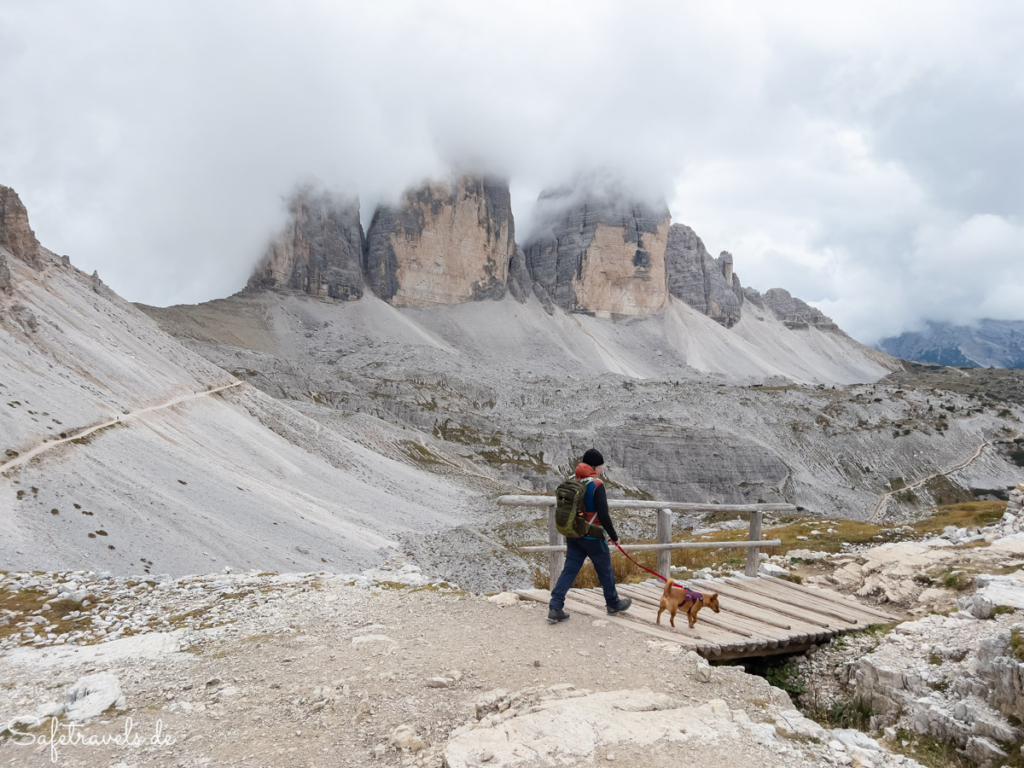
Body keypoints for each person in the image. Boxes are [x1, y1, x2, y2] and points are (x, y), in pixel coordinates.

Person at [547, 448, 632, 623]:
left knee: (569, 569)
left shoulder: (573, 480)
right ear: (595, 466)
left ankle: (555, 607)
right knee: (605, 570)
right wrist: (614, 536)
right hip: (593, 536)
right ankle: (613, 603)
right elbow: (603, 515)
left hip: (574, 534)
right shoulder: (596, 485)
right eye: (601, 466)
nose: (602, 469)